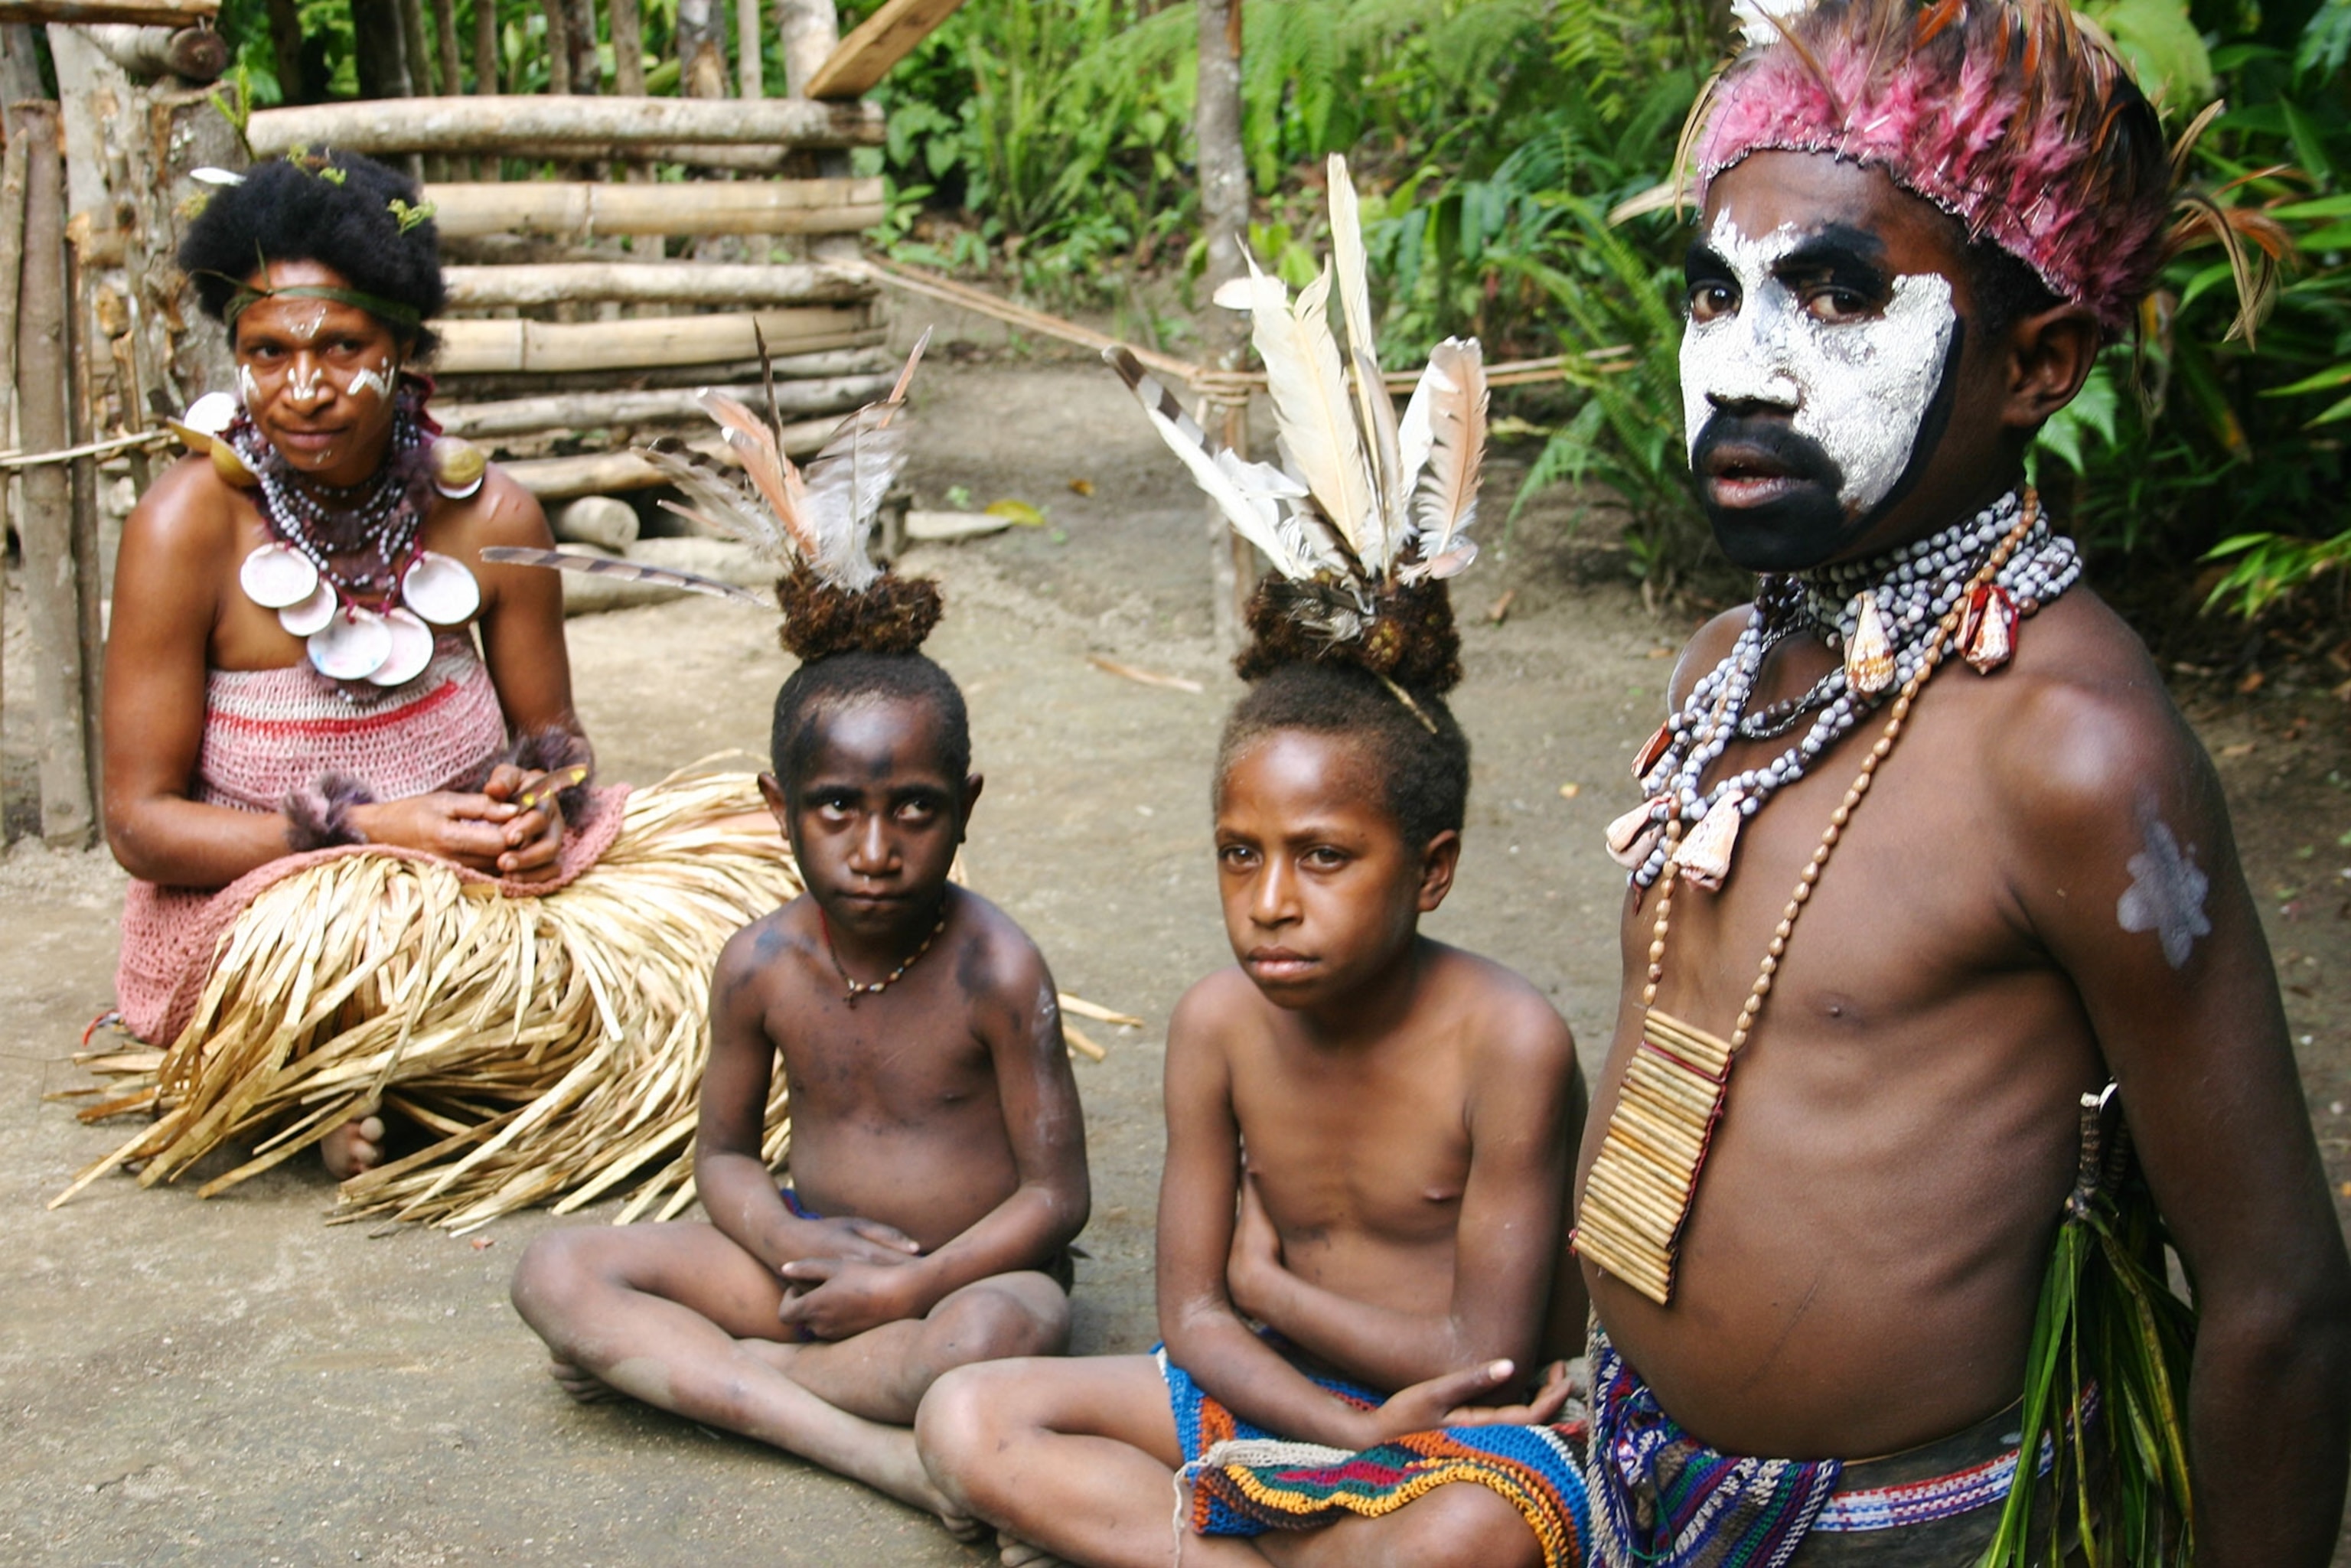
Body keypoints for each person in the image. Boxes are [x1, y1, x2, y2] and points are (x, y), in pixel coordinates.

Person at [1575, 1, 2351, 1561]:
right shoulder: (1727, 662)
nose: (1747, 368)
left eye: (1839, 298)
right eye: (1714, 297)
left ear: (2039, 362)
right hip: (1637, 1470)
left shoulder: (2071, 748)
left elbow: (2277, 1297)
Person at [918, 159, 1593, 1568]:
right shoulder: (1218, 1023)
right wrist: (1318, 1414)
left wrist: (1265, 1278)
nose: (1269, 898)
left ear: (1434, 867)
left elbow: (1480, 1350)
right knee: (966, 1415)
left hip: (1457, 1433)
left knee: (1470, 1535)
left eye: (1325, 855)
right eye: (1240, 852)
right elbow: (1190, 1317)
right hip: (1277, 1403)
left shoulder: (1507, 1040)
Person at [67, 150, 799, 1225]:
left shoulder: (494, 516)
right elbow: (140, 825)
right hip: (273, 902)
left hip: (474, 878)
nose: (302, 387)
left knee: (765, 899)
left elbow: (556, 742)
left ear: (404, 347)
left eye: (340, 347)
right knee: (371, 950)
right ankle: (341, 1060)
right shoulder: (184, 528)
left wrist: (542, 810)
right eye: (266, 353)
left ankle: (396, 1078)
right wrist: (368, 831)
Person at [510, 570, 1091, 1531]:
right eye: (836, 810)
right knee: (556, 1273)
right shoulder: (761, 965)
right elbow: (726, 1158)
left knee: (986, 1343)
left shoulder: (999, 970)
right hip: (809, 1267)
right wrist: (788, 1241)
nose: (874, 848)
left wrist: (913, 1283)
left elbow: (1055, 1199)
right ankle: (875, 1453)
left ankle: (719, 1376)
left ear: (966, 804)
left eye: (915, 809)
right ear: (779, 807)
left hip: (964, 1276)